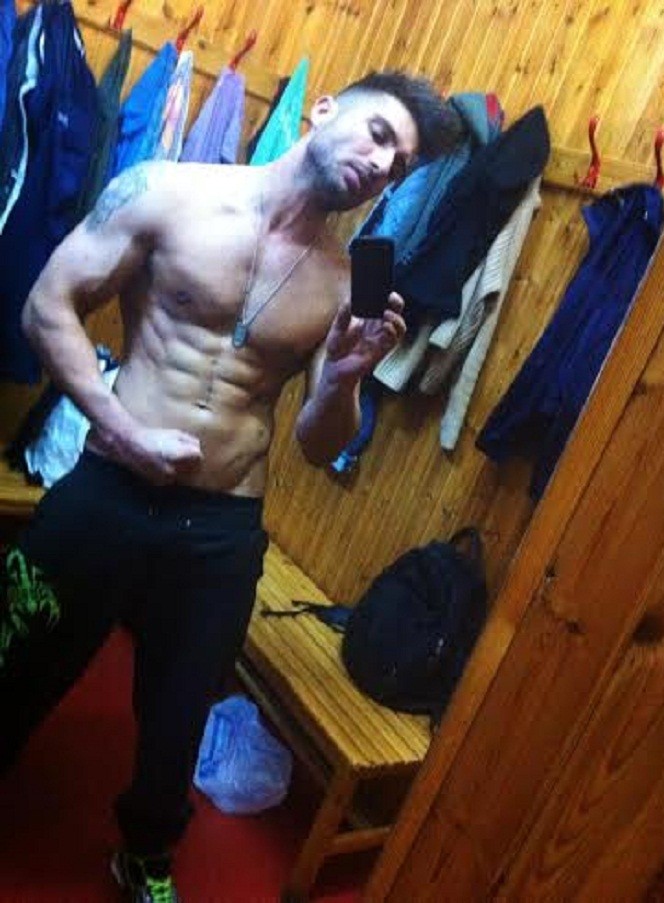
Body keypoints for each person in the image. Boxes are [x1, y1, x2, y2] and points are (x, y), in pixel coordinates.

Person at [0, 70, 460, 902]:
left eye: (398, 167)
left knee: (180, 714)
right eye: (378, 134)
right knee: (16, 646)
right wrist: (120, 424)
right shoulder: (168, 193)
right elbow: (47, 305)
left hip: (220, 527)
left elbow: (319, 444)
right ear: (325, 109)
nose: (379, 165)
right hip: (108, 484)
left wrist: (342, 380)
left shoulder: (343, 281)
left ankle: (145, 854)